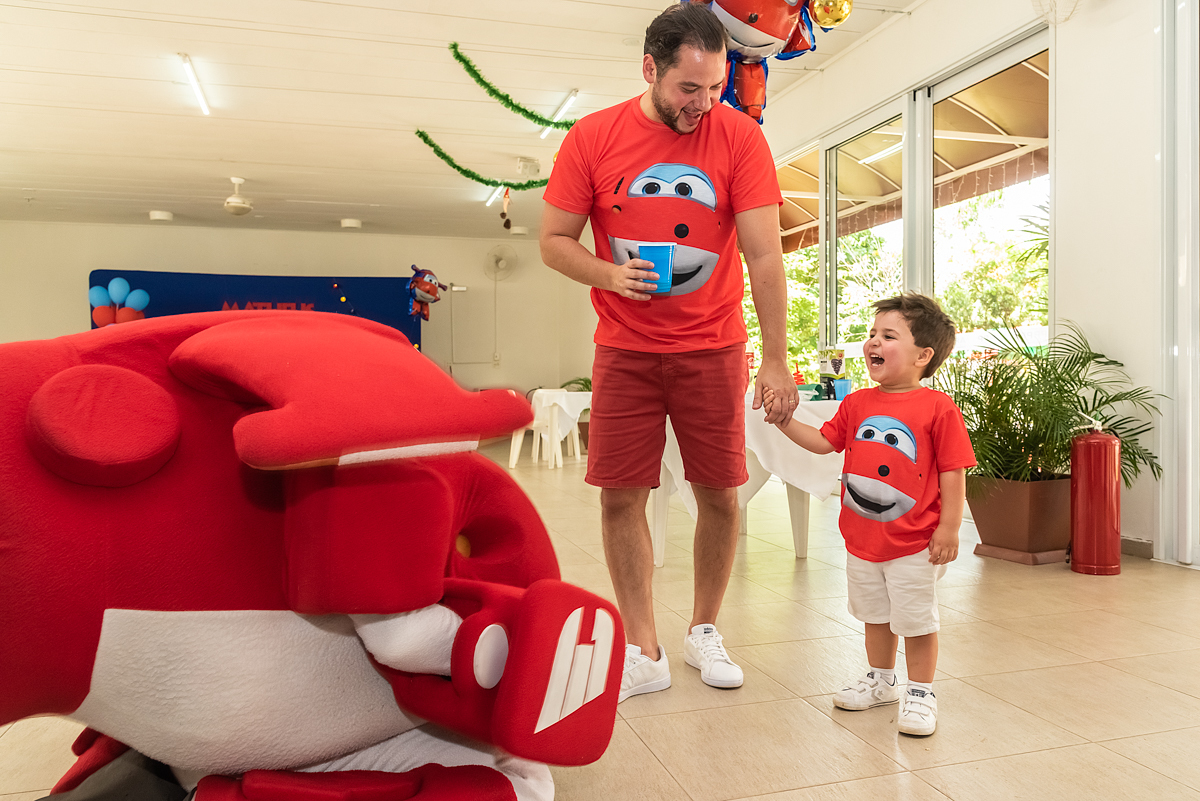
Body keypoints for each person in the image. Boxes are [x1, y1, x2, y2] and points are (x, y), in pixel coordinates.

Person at [539, 1, 799, 702]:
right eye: (690, 89)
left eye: (714, 88)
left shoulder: (739, 137)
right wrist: (608, 273)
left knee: (721, 493)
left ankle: (704, 630)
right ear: (649, 68)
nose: (703, 105)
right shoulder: (592, 138)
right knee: (621, 496)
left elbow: (765, 256)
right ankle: (643, 646)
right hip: (623, 348)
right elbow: (554, 242)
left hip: (714, 347)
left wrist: (776, 357)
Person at [762, 293, 975, 735]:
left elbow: (954, 472)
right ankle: (881, 681)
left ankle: (919, 692)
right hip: (861, 540)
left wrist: (950, 528)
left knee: (915, 620)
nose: (873, 342)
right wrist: (784, 421)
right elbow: (824, 442)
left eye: (888, 335)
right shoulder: (857, 403)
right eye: (872, 334)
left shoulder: (939, 409)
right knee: (874, 615)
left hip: (916, 542)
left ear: (923, 355)